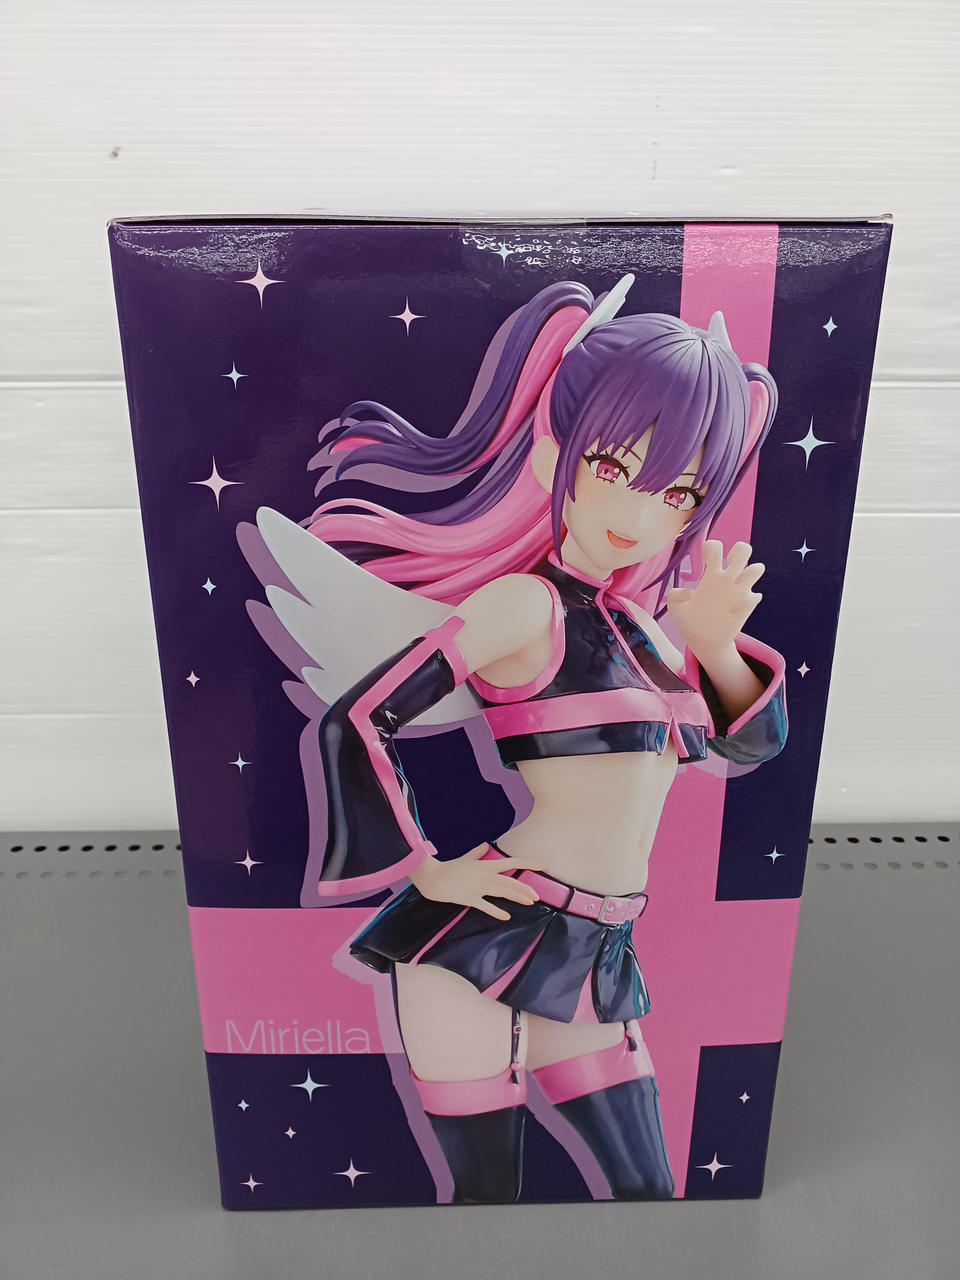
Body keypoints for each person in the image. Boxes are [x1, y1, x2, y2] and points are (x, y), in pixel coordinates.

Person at [297, 278, 788, 1202]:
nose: (638, 516)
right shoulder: (526, 605)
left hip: (596, 947)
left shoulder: (644, 631)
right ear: (553, 451)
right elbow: (363, 714)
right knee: (490, 1201)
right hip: (483, 937)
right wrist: (425, 870)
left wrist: (718, 648)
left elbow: (749, 749)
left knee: (649, 1192)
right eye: (613, 466)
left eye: (678, 490)